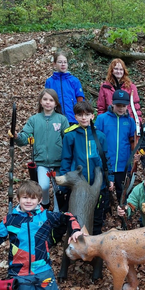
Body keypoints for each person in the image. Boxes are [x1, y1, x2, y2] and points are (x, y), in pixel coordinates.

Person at [0, 180, 82, 290]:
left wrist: (76, 230)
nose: (28, 201)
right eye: (25, 197)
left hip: (42, 268)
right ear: (18, 199)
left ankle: (36, 288)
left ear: (40, 200)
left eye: (33, 198)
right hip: (20, 272)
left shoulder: (46, 216)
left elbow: (68, 216)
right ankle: (25, 288)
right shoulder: (10, 219)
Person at [60, 100, 114, 237]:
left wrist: (110, 179)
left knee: (97, 215)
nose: (84, 118)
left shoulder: (99, 136)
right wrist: (64, 186)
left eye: (87, 114)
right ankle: (76, 243)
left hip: (98, 183)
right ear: (75, 117)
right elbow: (66, 160)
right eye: (80, 115)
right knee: (76, 216)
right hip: (78, 184)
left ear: (92, 116)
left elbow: (106, 158)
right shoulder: (70, 136)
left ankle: (94, 242)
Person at [11, 88, 69, 209]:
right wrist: (17, 136)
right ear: (41, 102)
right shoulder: (34, 120)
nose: (48, 102)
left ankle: (57, 213)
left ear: (56, 103)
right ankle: (45, 204)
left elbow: (68, 139)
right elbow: (25, 136)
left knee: (58, 188)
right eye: (45, 99)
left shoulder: (62, 119)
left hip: (58, 162)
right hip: (41, 161)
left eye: (51, 100)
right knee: (43, 186)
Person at [95, 89, 136, 202]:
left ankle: (122, 211)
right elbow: (96, 140)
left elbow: (133, 141)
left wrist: (133, 159)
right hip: (107, 162)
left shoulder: (130, 121)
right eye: (118, 105)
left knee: (121, 190)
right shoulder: (102, 119)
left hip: (123, 163)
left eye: (124, 105)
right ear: (112, 103)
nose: (121, 108)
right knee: (105, 191)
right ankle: (105, 212)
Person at [45, 50, 85, 125]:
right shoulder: (50, 81)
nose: (63, 64)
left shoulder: (74, 81)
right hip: (55, 119)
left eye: (65, 62)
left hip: (72, 119)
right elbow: (46, 100)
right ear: (54, 64)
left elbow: (80, 100)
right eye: (60, 62)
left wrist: (79, 115)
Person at [96, 58, 142, 123]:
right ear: (111, 70)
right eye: (116, 69)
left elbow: (136, 108)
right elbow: (101, 108)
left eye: (121, 69)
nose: (118, 71)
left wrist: (138, 125)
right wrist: (100, 123)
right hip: (110, 122)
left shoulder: (131, 87)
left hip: (127, 121)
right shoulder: (105, 87)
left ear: (124, 71)